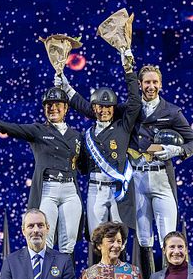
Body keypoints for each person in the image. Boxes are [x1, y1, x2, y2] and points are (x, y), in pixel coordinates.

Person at [0, 89, 83, 257]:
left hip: (71, 191)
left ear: (66, 108)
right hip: (48, 190)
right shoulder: (37, 130)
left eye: (57, 105)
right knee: (45, 239)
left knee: (69, 242)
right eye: (49, 105)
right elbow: (8, 128)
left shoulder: (76, 136)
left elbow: (84, 164)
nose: (53, 108)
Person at [56, 51, 141, 263]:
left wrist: (129, 70)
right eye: (99, 107)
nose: (103, 111)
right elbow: (78, 102)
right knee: (97, 236)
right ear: (94, 109)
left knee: (120, 235)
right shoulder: (89, 133)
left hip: (118, 188)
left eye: (108, 107)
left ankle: (123, 278)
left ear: (114, 109)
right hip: (95, 187)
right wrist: (63, 84)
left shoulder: (123, 126)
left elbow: (135, 104)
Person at [129, 65, 193, 278]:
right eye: (147, 82)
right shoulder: (132, 110)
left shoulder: (171, 111)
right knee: (143, 237)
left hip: (162, 179)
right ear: (140, 84)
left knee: (168, 236)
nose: (151, 86)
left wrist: (177, 150)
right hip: (138, 177)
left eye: (154, 82)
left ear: (160, 84)